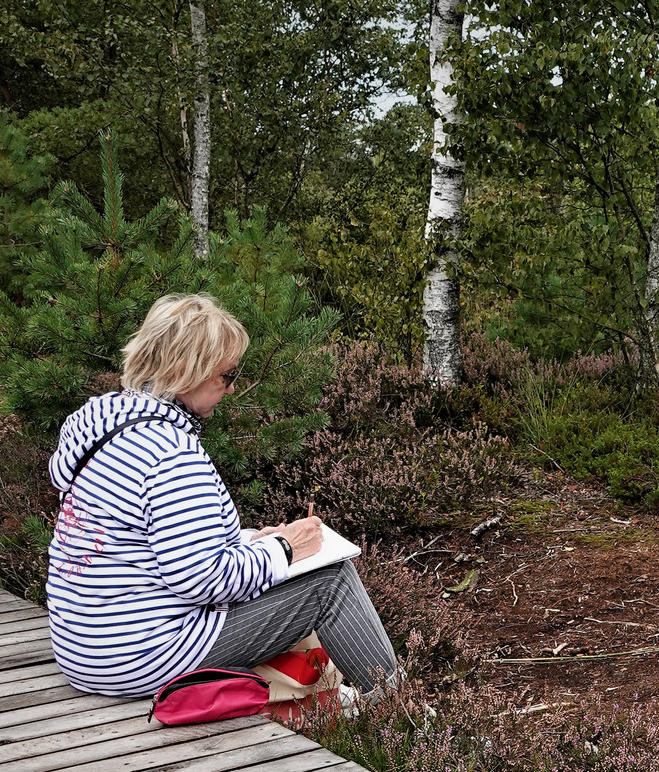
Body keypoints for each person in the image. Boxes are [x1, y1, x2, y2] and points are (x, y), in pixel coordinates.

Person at [45, 292, 399, 702]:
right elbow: (201, 581)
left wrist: (252, 543)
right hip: (140, 658)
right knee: (331, 583)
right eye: (226, 376)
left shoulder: (99, 423)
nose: (231, 390)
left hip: (85, 649)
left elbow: (140, 542)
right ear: (184, 371)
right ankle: (398, 714)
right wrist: (284, 550)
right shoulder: (170, 455)